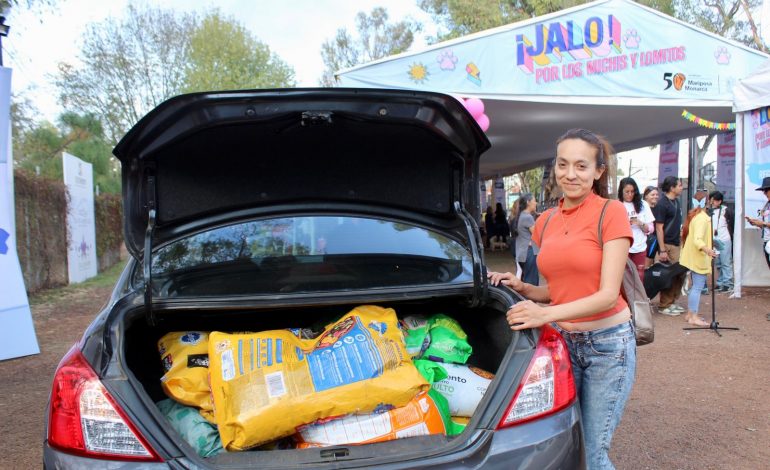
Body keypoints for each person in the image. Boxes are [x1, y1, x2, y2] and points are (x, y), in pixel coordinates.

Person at [488, 128, 634, 470]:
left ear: (598, 171)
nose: (570, 174)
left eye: (581, 166)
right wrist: (525, 289)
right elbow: (558, 290)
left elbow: (606, 295)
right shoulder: (546, 221)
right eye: (563, 164)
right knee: (568, 446)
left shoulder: (610, 212)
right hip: (564, 342)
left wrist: (543, 314)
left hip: (607, 346)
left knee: (593, 455)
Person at [679, 207, 718, 326]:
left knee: (695, 286)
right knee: (697, 287)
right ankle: (693, 317)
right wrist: (708, 251)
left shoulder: (698, 217)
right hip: (699, 258)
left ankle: (690, 314)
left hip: (694, 257)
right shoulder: (702, 219)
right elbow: (698, 240)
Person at [653, 176, 685, 316]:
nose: (681, 187)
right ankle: (664, 304)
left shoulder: (676, 202)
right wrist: (662, 249)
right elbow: (659, 228)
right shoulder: (662, 204)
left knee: (679, 274)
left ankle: (672, 301)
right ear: (672, 187)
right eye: (679, 185)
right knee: (668, 275)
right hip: (667, 244)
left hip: (676, 243)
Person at [619, 178, 655, 281]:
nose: (630, 194)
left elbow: (651, 229)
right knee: (624, 279)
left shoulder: (643, 205)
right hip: (623, 248)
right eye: (627, 192)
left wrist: (640, 223)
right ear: (621, 192)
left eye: (632, 191)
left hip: (640, 247)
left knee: (639, 278)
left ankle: (638, 297)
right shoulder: (617, 205)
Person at [745, 177, 770, 320]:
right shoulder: (767, 205)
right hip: (767, 242)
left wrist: (763, 224)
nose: (764, 193)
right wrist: (756, 223)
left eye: (766, 190)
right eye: (764, 190)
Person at [709, 191, 734, 292]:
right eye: (711, 200)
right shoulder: (708, 210)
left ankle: (728, 283)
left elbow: (731, 224)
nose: (712, 202)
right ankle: (720, 283)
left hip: (724, 239)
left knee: (726, 262)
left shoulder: (726, 210)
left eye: (714, 200)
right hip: (714, 239)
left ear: (719, 201)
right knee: (718, 262)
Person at [514, 193, 540, 285]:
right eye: (534, 201)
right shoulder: (528, 217)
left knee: (526, 282)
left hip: (523, 253)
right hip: (529, 253)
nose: (536, 203)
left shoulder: (522, 215)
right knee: (531, 284)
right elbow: (538, 235)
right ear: (528, 202)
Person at [643, 186, 660, 269]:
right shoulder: (642, 209)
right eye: (652, 194)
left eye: (657, 194)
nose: (655, 196)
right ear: (646, 196)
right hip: (647, 241)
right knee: (646, 266)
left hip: (656, 241)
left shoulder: (658, 208)